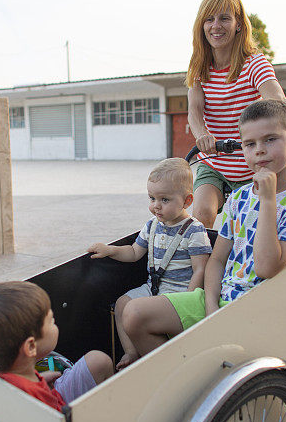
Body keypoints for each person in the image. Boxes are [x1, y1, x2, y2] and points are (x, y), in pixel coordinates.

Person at [122, 99, 286, 357]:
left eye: (270, 139)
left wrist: (268, 201)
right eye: (250, 144)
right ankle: (178, 374)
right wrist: (212, 307)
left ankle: (192, 372)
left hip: (259, 308)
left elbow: (266, 267)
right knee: (133, 313)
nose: (259, 150)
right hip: (221, 297)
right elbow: (217, 259)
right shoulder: (239, 198)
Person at [185, 0, 286, 228]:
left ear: (238, 25)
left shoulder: (254, 63)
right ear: (201, 25)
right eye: (209, 19)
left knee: (249, 225)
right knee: (201, 216)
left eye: (224, 18)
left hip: (252, 163)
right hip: (215, 161)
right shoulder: (199, 67)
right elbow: (194, 111)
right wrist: (202, 135)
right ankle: (205, 265)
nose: (216, 26)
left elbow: (278, 102)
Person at [87, 158, 211, 369]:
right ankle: (132, 352)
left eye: (164, 200)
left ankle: (168, 362)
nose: (155, 206)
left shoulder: (195, 230)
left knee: (160, 324)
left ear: (187, 201)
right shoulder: (152, 225)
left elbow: (200, 269)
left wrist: (189, 299)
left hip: (179, 292)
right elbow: (135, 252)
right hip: (153, 287)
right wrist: (110, 250)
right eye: (152, 198)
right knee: (121, 305)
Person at [0, 281, 113, 412]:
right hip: (58, 414)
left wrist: (40, 381)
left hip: (48, 393)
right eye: (51, 321)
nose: (55, 323)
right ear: (31, 347)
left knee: (98, 361)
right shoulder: (34, 401)